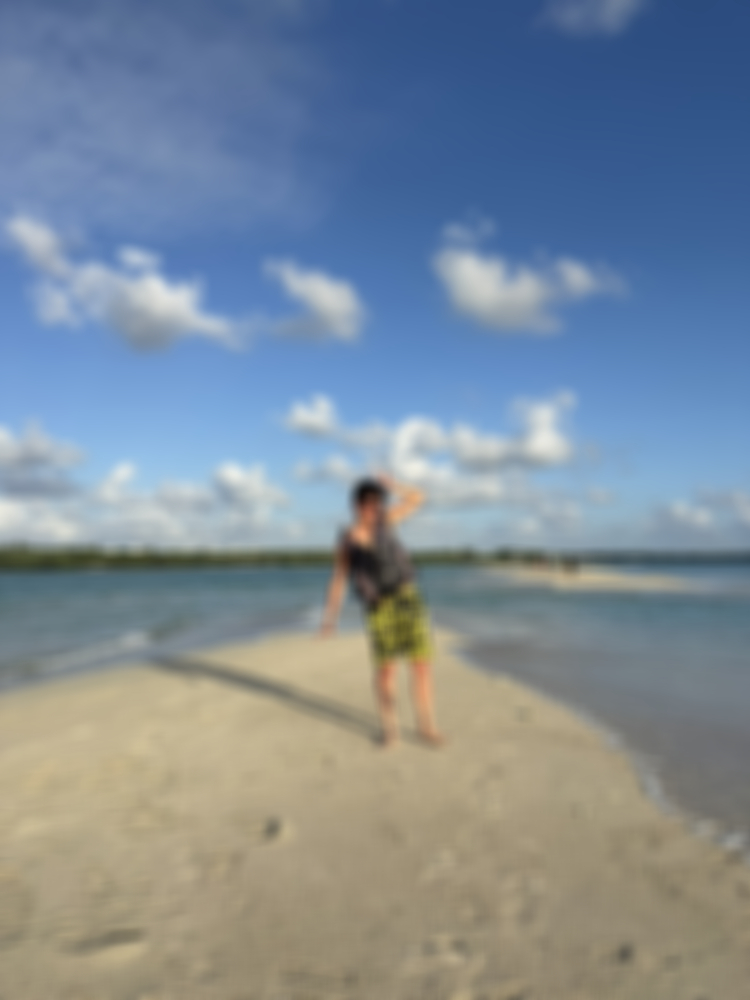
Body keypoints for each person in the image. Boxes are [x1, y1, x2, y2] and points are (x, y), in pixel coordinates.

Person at [320, 474, 444, 748]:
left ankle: (427, 727)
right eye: (368, 503)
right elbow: (339, 579)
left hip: (408, 598)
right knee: (386, 671)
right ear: (356, 505)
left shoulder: (387, 521)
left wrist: (394, 484)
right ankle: (390, 730)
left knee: (421, 666)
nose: (374, 508)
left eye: (378, 502)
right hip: (379, 608)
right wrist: (330, 619)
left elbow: (418, 498)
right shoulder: (347, 540)